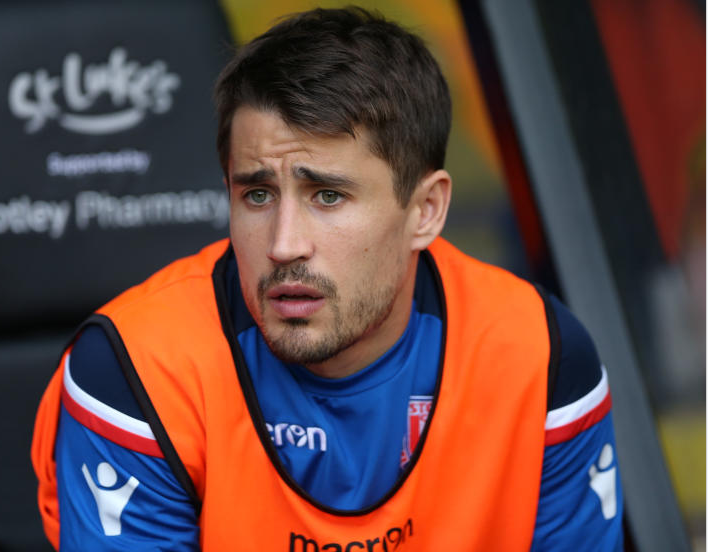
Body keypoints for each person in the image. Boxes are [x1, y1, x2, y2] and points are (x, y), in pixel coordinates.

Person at [31, 6, 623, 550]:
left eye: (328, 196)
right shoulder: (140, 368)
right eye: (257, 194)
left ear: (426, 211)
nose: (284, 245)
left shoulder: (540, 357)